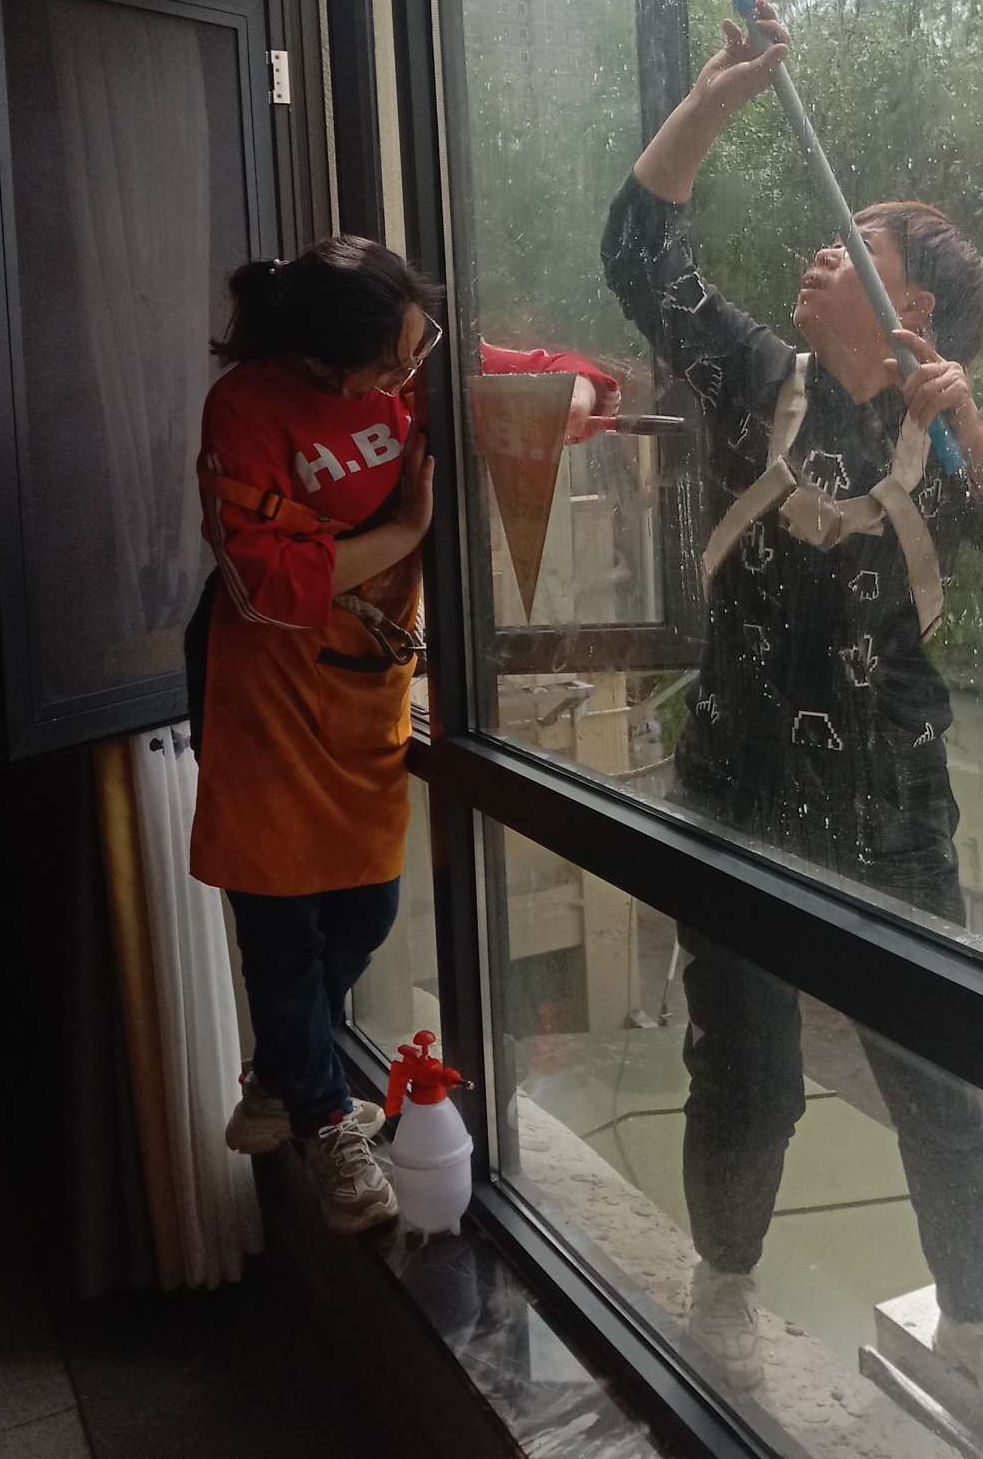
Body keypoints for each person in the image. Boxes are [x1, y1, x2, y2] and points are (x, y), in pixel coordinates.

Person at [601, 0, 983, 1443]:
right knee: (745, 1080)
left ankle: (973, 1328)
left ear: (915, 313)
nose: (824, 253)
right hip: (731, 796)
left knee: (936, 1081)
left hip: (891, 822)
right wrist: (720, 94)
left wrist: (972, 424)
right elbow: (641, 256)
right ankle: (721, 1288)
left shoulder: (944, 452)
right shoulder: (754, 379)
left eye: (859, 246)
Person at [187, 235, 618, 1232]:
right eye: (392, 364)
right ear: (319, 360)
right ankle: (323, 1121)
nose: (411, 373)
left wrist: (570, 397)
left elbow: (554, 373)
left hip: (359, 683)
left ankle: (280, 1076)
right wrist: (400, 533)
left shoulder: (407, 362)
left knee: (368, 909)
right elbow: (261, 584)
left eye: (420, 346)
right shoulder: (244, 408)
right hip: (260, 688)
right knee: (282, 928)